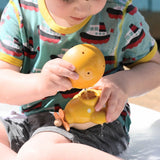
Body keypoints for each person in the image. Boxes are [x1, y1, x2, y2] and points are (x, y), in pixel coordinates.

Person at [0, 0, 160, 159]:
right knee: (32, 150)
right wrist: (41, 84)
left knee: (39, 152)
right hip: (29, 119)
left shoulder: (120, 16)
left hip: (94, 123)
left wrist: (122, 84)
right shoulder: (20, 11)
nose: (83, 6)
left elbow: (154, 67)